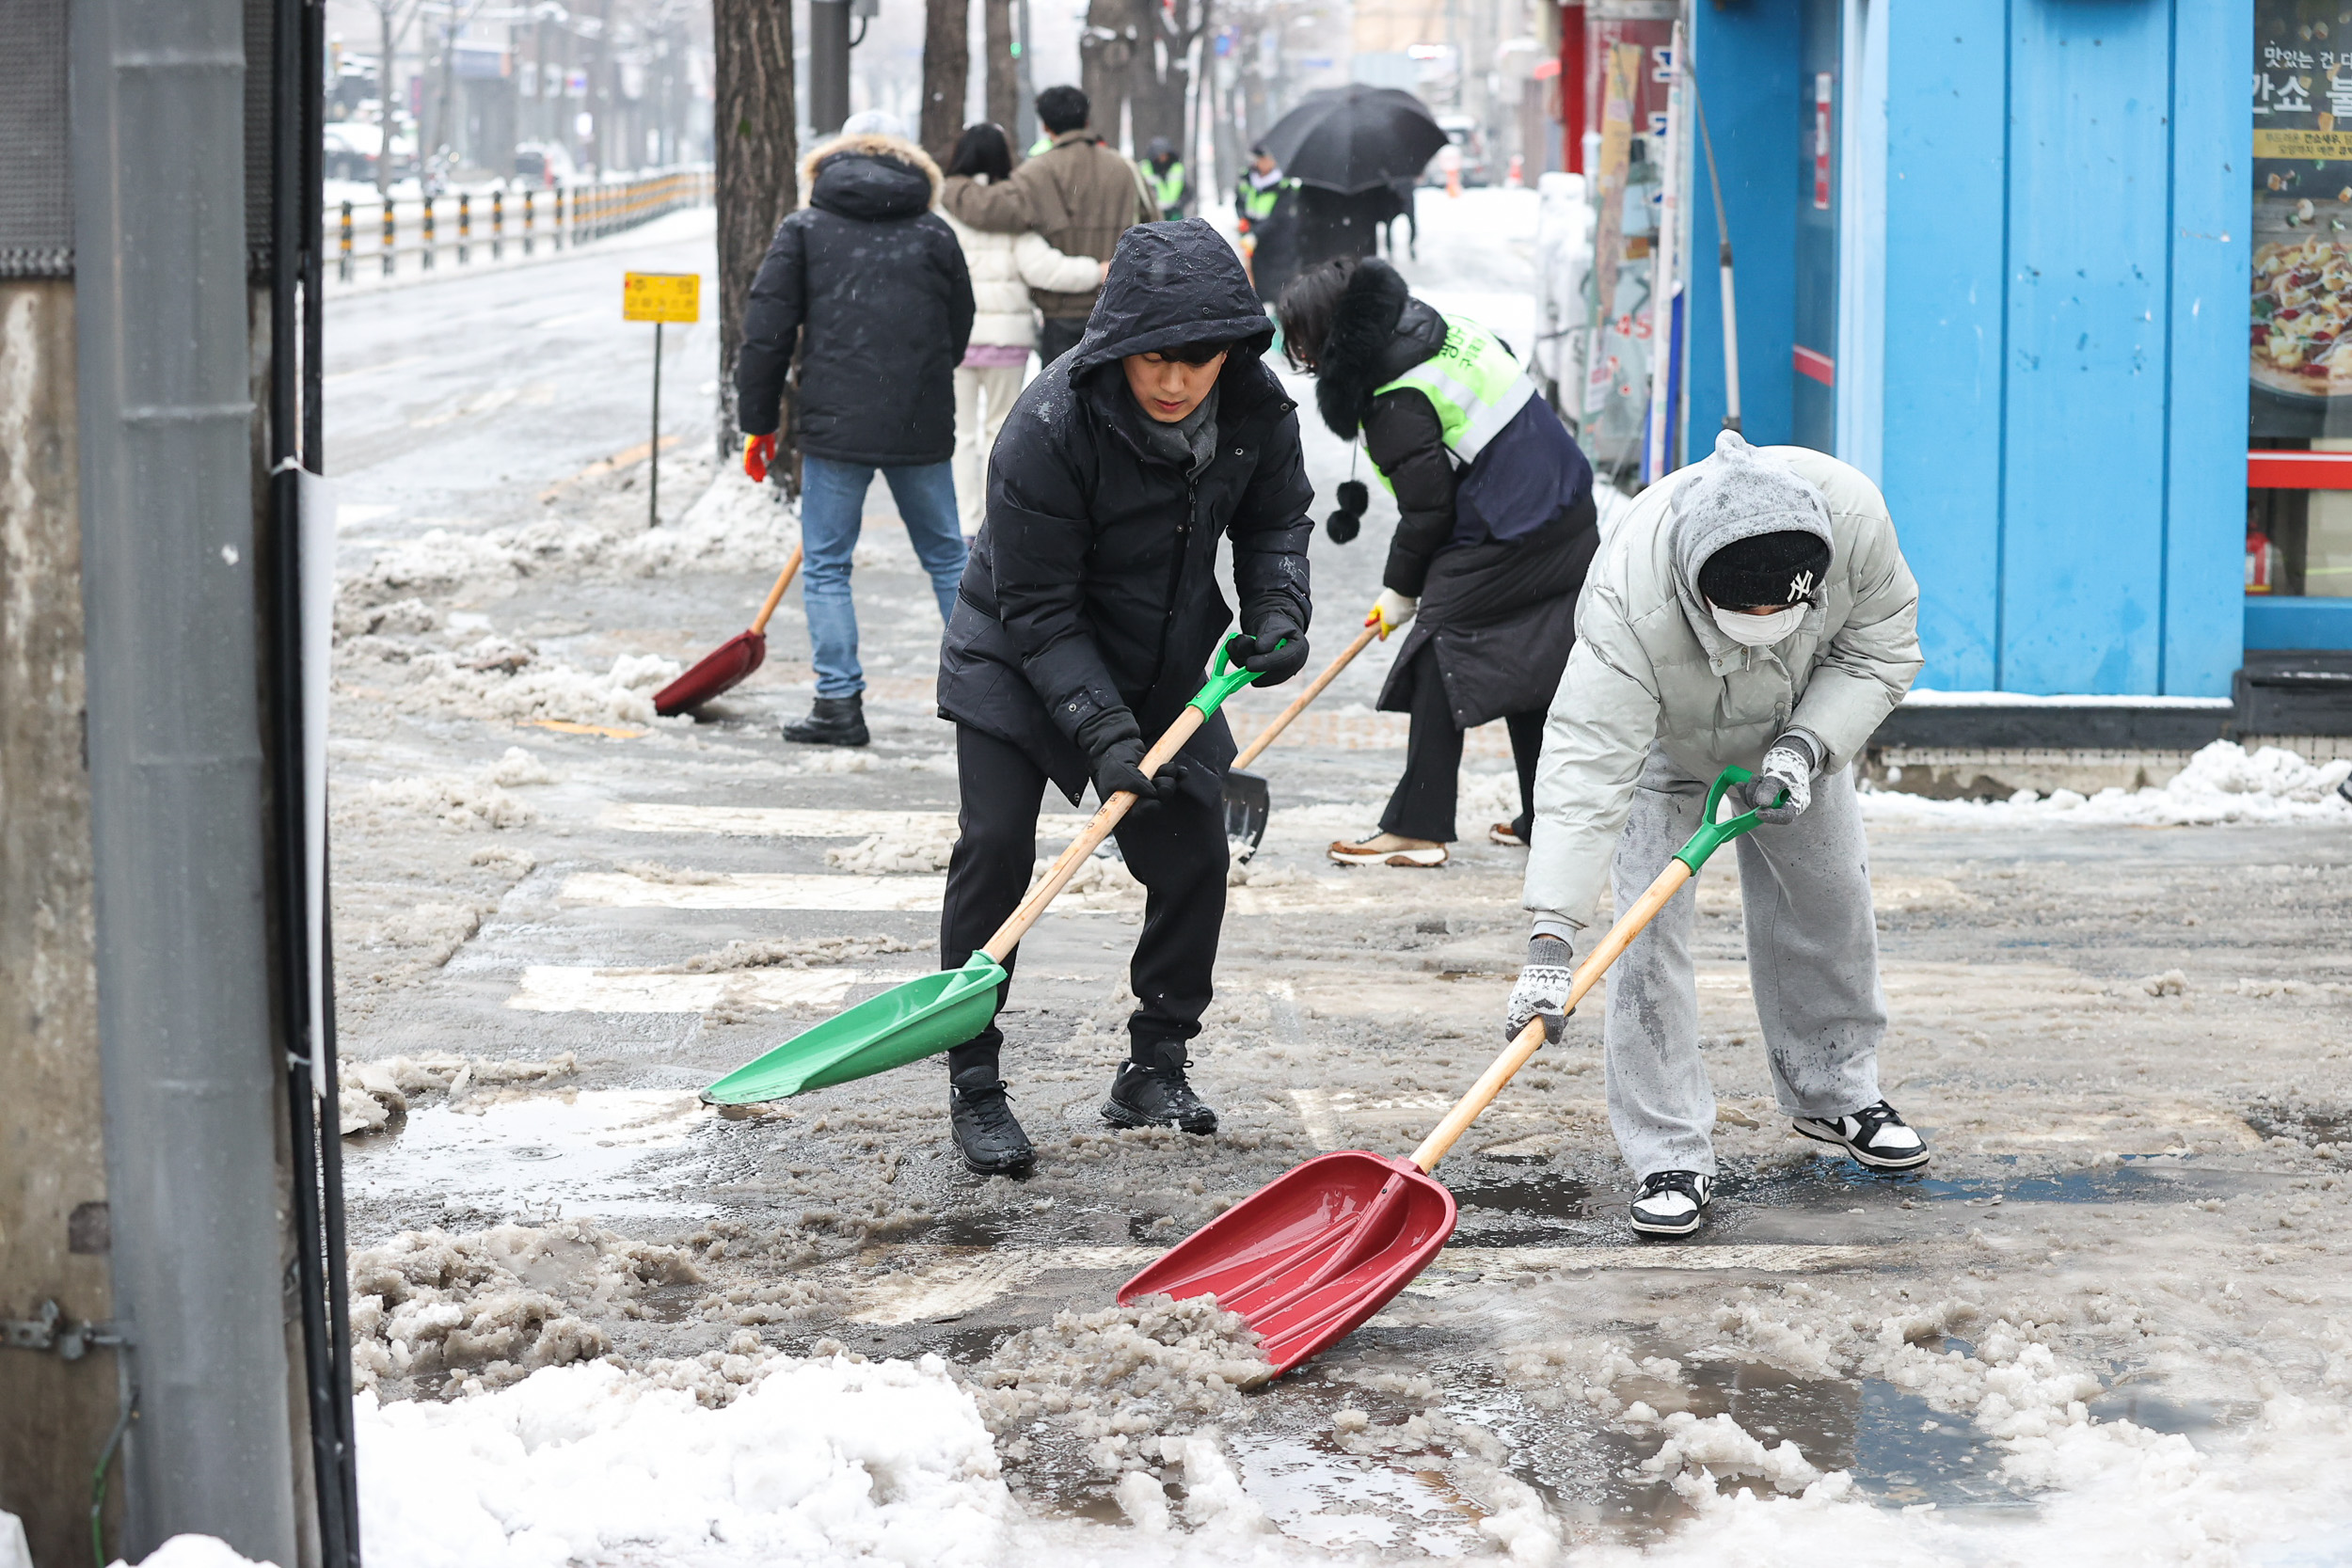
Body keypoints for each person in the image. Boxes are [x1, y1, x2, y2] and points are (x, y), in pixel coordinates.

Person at [931, 219, 1314, 1175]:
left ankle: (1155, 1064)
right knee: (994, 848)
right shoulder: (1049, 426)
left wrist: (1275, 607)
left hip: (1166, 659)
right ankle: (974, 1077)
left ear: (1233, 350)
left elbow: (1276, 522)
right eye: (1155, 360)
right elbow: (1038, 607)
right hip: (1017, 662)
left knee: (1194, 849)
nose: (1176, 381)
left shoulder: (1258, 412)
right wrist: (1100, 730)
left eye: (1199, 360)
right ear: (1116, 347)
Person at [1505, 429, 1929, 1239]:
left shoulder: (1853, 521)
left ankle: (1835, 1090)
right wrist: (1552, 935)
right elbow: (1589, 760)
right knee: (1646, 936)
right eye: (1744, 611)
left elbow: (1881, 645)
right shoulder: (1631, 594)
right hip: (1665, 743)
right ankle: (1667, 1149)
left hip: (1801, 729)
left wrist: (1807, 744)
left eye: (1781, 610)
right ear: (1699, 589)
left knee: (1832, 899)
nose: (1760, 622)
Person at [1273, 256, 1597, 870]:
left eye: (1300, 341)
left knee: (1436, 648)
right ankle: (1548, 817)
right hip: (1566, 506)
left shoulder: (1395, 397)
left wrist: (1401, 592)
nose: (1300, 356)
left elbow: (1428, 512)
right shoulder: (1438, 327)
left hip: (1514, 527)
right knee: (1529, 660)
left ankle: (1417, 828)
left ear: (1325, 335)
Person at [736, 114, 976, 747]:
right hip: (919, 421)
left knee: (826, 566)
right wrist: (918, 377)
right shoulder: (934, 232)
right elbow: (960, 325)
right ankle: (988, 695)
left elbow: (766, 334)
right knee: (949, 557)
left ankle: (839, 704)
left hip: (835, 423)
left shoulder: (806, 229)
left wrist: (757, 424)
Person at [938, 121, 1106, 537]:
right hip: (1005, 342)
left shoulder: (942, 209)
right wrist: (1097, 270)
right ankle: (995, 518)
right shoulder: (1013, 211)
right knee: (1000, 429)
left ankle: (964, 521)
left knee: (959, 434)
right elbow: (1045, 269)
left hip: (955, 340)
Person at [943, 86, 1154, 370]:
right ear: (1087, 120)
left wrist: (950, 185)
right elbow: (1154, 227)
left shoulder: (1036, 173)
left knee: (1061, 404)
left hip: (1062, 312)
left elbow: (985, 209)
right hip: (1121, 307)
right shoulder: (1125, 168)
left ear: (1045, 125)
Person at [1234, 144, 1300, 305]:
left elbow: (1279, 217)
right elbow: (1240, 202)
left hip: (1277, 243)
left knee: (1279, 286)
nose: (1260, 163)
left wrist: (1255, 234)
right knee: (1258, 284)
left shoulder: (1284, 184)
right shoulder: (1248, 178)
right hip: (1256, 245)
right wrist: (1243, 220)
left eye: (1264, 159)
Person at [1143, 136, 1192, 220]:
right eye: (1160, 155)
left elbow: (1187, 191)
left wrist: (1179, 204)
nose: (1163, 158)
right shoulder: (1145, 169)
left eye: (1165, 155)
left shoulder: (1176, 169)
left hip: (1174, 214)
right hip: (1154, 215)